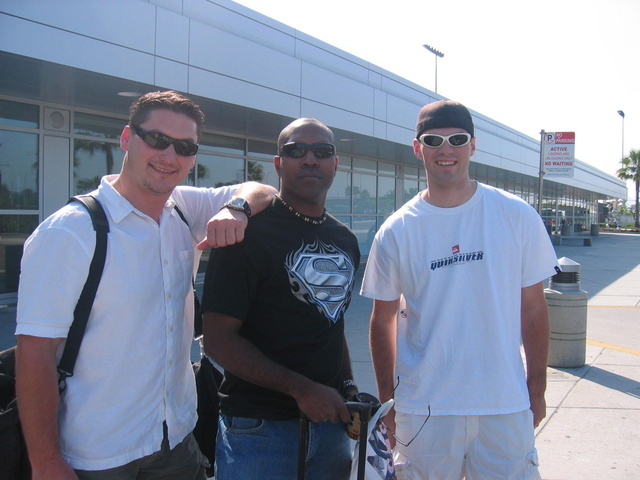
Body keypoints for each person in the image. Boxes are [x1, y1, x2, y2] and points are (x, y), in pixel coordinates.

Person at [15, 90, 276, 480]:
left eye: (185, 147)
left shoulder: (183, 209)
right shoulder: (70, 232)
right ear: (126, 138)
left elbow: (262, 190)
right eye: (156, 139)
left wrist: (235, 209)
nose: (169, 155)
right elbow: (35, 353)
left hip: (176, 438)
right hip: (98, 453)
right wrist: (46, 462)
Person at [361, 100, 559, 479]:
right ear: (418, 148)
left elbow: (533, 308)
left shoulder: (516, 216)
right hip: (424, 413)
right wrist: (389, 399)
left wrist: (537, 387)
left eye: (457, 138)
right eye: (433, 140)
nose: (446, 149)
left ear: (473, 145)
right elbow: (381, 319)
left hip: (504, 406)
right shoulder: (397, 230)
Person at [201, 118, 361, 480]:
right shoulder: (245, 234)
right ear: (278, 164)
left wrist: (348, 386)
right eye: (296, 151)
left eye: (322, 152)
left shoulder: (346, 240)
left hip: (331, 426)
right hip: (259, 430)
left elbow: (330, 325)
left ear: (335, 165)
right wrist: (301, 389)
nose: (310, 159)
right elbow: (218, 340)